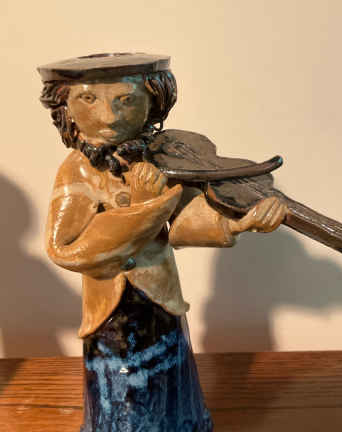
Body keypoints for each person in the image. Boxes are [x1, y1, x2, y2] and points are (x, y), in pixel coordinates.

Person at [38, 53, 287, 432]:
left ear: (155, 102)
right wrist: (144, 208)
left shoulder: (160, 159)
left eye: (126, 100)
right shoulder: (77, 170)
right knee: (117, 382)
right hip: (109, 308)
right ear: (65, 106)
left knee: (169, 374)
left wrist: (237, 223)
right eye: (89, 99)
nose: (109, 116)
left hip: (161, 295)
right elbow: (66, 247)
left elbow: (185, 220)